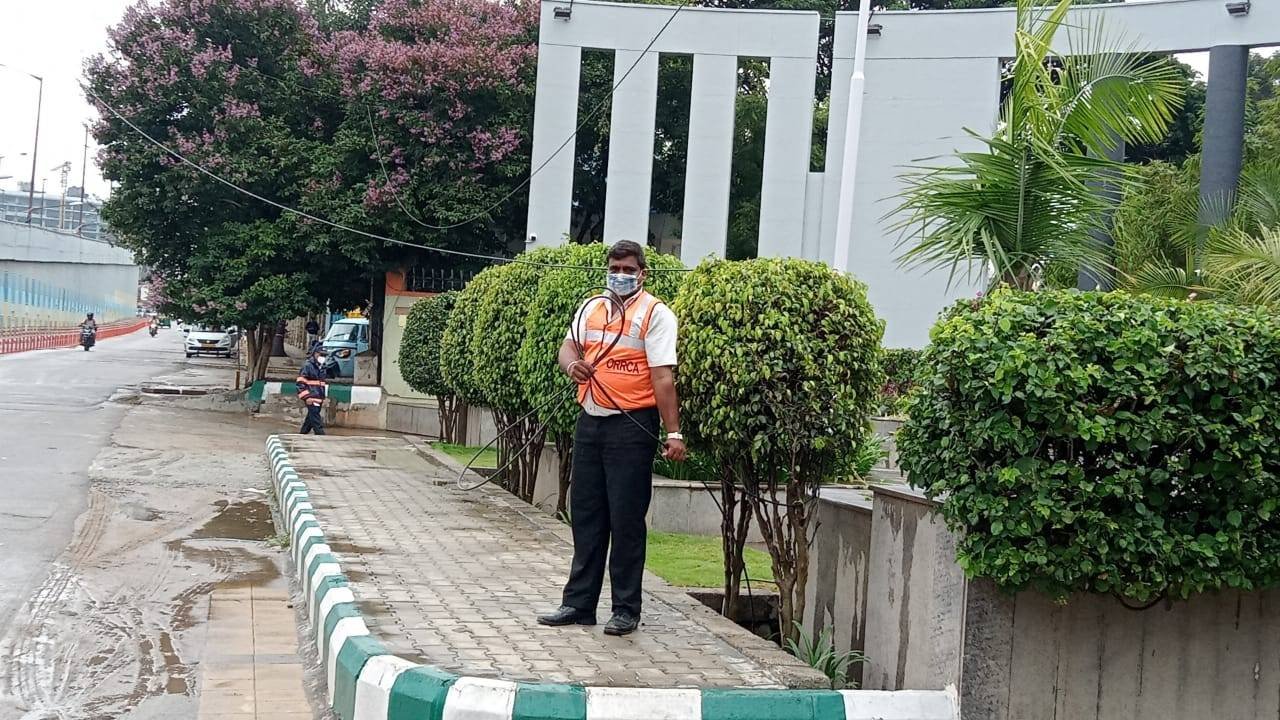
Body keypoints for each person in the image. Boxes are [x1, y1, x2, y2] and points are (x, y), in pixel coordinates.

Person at [537, 240, 686, 637]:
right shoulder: (591, 307)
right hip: (591, 420)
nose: (620, 274)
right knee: (585, 515)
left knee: (625, 519)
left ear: (642, 273)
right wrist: (573, 366)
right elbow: (567, 346)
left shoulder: (656, 314)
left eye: (627, 268)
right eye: (614, 267)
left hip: (631, 425)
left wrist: (674, 432)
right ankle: (578, 604)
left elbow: (662, 376)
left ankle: (625, 609)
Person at [296, 342, 335, 435]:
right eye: (321, 355)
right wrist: (306, 397)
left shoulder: (322, 367)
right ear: (315, 354)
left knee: (309, 420)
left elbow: (331, 376)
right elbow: (300, 383)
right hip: (311, 397)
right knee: (316, 421)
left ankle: (302, 435)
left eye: (324, 355)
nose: (323, 357)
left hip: (318, 398)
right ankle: (321, 437)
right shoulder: (308, 366)